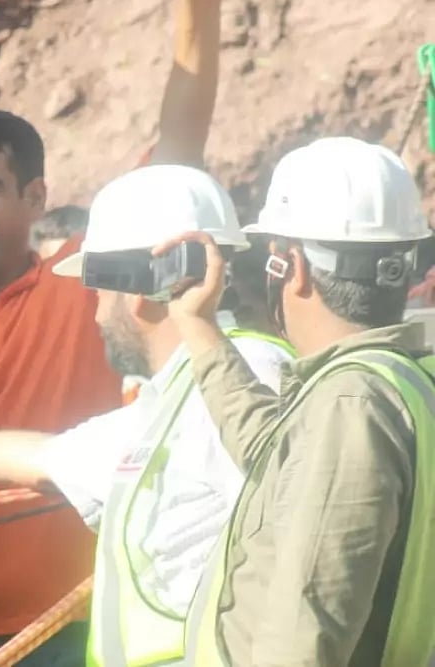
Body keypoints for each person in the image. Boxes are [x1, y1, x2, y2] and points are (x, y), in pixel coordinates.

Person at [0, 0, 224, 663]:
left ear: (35, 199)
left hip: (74, 630)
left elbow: (180, 141)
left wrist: (197, 7)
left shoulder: (82, 282)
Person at [0, 165, 295, 667]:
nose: (95, 312)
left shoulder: (244, 386)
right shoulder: (175, 400)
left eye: (99, 292)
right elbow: (49, 457)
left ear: (138, 290)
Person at [159, 137, 435, 666]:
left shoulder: (351, 403)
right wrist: (198, 328)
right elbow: (278, 457)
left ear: (294, 268)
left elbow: (307, 621)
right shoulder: (394, 385)